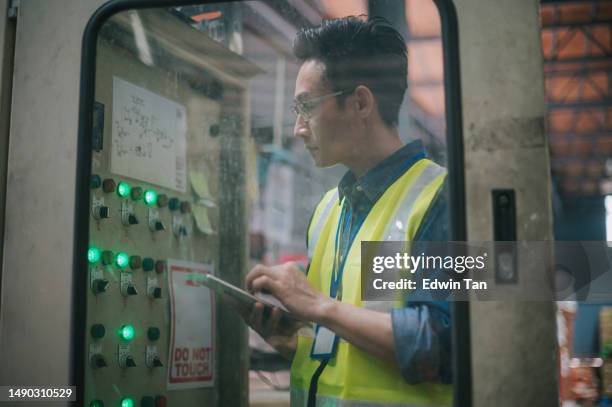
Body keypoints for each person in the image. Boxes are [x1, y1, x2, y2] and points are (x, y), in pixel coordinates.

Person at [243, 16, 452, 407]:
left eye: (306, 107)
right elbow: (348, 350)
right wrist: (296, 342)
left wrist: (319, 306)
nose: (298, 128)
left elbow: (442, 345)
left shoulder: (442, 200)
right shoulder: (328, 212)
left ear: (359, 102)